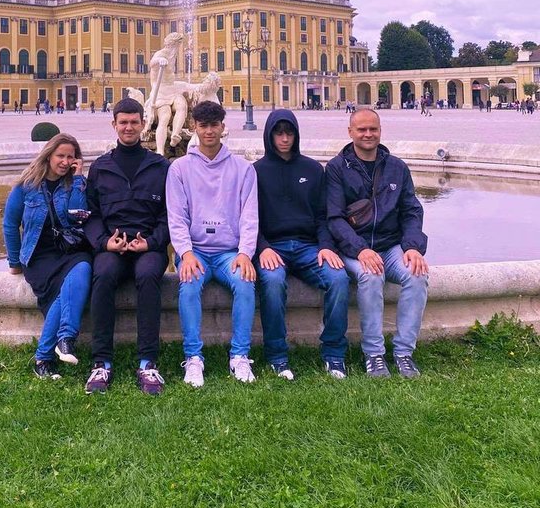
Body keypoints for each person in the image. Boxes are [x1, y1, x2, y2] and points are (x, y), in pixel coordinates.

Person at [326, 108, 429, 379]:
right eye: (361, 129)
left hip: (391, 245)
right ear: (350, 132)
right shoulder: (337, 168)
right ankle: (374, 354)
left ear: (380, 130)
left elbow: (411, 211)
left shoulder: (396, 167)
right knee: (371, 275)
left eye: (373, 129)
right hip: (353, 248)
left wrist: (412, 247)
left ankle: (404, 353)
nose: (368, 134)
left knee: (417, 275)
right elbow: (334, 219)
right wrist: (361, 249)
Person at [166, 100, 258, 387]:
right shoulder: (179, 169)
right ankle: (194, 358)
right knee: (189, 284)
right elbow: (176, 217)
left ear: (222, 127)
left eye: (214, 125)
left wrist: (245, 253)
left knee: (245, 282)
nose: (208, 131)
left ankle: (239, 356)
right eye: (203, 126)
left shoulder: (244, 169)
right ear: (194, 127)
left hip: (229, 252)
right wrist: (186, 253)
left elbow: (249, 216)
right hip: (196, 252)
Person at [83, 97, 170, 395]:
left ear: (143, 125)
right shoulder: (101, 167)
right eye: (123, 122)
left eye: (134, 122)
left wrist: (152, 242)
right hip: (112, 246)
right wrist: (104, 242)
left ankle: (148, 363)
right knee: (103, 274)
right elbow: (91, 214)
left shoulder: (160, 166)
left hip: (148, 247)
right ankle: (101, 363)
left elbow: (170, 215)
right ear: (114, 125)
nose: (129, 127)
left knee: (148, 276)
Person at [254, 110, 349, 380]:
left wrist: (326, 246)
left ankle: (333, 354)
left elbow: (323, 215)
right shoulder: (256, 171)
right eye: (278, 133)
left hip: (309, 247)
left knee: (339, 278)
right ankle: (277, 356)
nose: (284, 139)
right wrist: (263, 248)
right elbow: (249, 219)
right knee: (271, 282)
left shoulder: (312, 169)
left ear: (296, 135)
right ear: (269, 135)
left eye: (289, 133)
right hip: (273, 247)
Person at [3, 133, 92, 379]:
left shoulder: (75, 183)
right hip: (38, 255)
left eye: (70, 157)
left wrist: (76, 180)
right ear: (49, 155)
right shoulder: (26, 186)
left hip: (69, 250)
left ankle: (63, 340)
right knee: (60, 295)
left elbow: (77, 215)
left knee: (84, 267)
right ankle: (45, 356)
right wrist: (14, 262)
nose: (64, 162)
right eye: (60, 156)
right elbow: (10, 224)